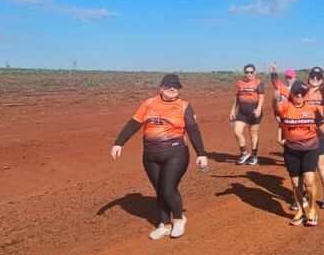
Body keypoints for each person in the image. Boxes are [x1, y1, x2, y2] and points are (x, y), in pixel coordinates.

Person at [111, 74, 208, 240]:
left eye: (176, 87)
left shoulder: (184, 106)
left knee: (168, 189)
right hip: (150, 155)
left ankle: (178, 219)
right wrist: (119, 143)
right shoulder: (149, 103)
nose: (173, 89)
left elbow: (193, 131)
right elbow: (133, 123)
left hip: (176, 153)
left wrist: (201, 154)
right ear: (161, 87)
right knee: (160, 191)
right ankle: (164, 224)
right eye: (169, 86)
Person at [270, 64, 324, 210]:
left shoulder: (323, 94)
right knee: (302, 170)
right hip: (301, 133)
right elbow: (280, 88)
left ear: (321, 81)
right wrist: (274, 74)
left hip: (319, 134)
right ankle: (304, 197)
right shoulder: (300, 92)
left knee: (321, 166)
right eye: (312, 76)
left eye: (318, 77)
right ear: (308, 78)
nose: (315, 79)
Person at [274, 81, 324, 226]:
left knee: (309, 181)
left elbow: (322, 125)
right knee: (296, 183)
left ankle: (312, 211)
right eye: (296, 93)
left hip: (310, 149)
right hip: (291, 150)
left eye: (302, 94)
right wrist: (274, 99)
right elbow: (278, 114)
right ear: (292, 94)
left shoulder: (313, 108)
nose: (299, 96)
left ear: (305, 95)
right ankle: (300, 211)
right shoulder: (286, 107)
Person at [229, 64, 264, 165]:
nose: (249, 74)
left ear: (254, 72)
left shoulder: (258, 83)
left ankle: (254, 156)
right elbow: (236, 98)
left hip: (254, 111)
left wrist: (258, 109)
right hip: (242, 112)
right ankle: (244, 153)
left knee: (253, 134)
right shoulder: (240, 83)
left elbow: (261, 97)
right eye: (247, 72)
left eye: (251, 72)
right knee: (237, 131)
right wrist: (232, 110)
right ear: (244, 72)